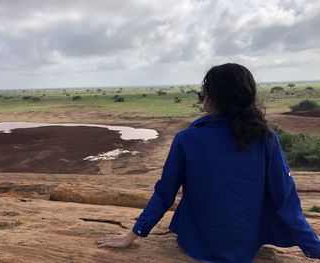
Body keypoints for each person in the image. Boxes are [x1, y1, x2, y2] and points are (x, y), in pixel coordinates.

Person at [95, 63, 320, 262]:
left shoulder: (187, 138)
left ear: (213, 99)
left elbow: (165, 194)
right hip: (245, 246)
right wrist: (315, 248)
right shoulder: (265, 138)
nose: (202, 98)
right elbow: (286, 201)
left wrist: (132, 236)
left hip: (196, 243)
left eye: (202, 94)